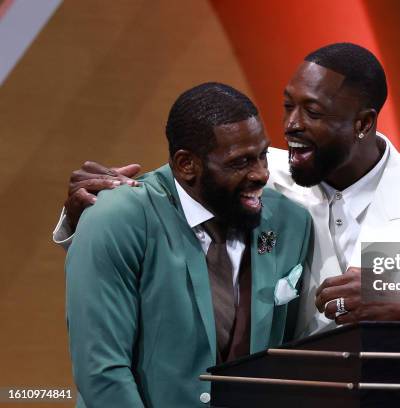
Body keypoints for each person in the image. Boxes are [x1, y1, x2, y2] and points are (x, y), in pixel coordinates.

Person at [55, 43, 400, 341]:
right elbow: (157, 210)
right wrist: (89, 213)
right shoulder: (255, 172)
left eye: (311, 111)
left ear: (364, 123)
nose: (290, 126)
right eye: (288, 105)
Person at [65, 82, 312, 407]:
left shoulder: (289, 221)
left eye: (263, 155)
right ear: (186, 165)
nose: (261, 174)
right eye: (240, 162)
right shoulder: (119, 217)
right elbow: (102, 371)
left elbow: (288, 362)